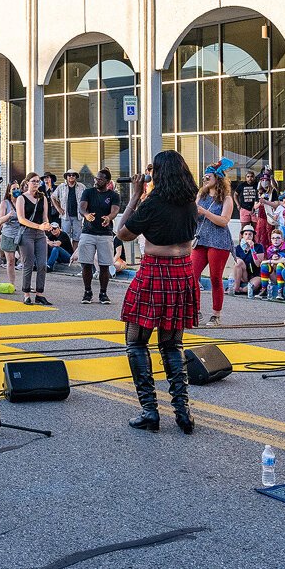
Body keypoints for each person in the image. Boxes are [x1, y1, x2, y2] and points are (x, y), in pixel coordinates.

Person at [115, 150, 200, 434]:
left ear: (159, 174)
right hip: (182, 272)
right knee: (172, 344)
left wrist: (135, 195)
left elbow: (122, 233)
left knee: (137, 343)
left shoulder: (152, 203)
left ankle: (150, 411)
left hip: (155, 271)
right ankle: (183, 412)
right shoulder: (190, 202)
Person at [191, 168, 236, 324]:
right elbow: (193, 215)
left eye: (208, 176)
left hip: (218, 241)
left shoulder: (227, 199)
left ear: (218, 178)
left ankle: (216, 315)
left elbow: (224, 221)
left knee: (215, 278)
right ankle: (195, 311)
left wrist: (205, 212)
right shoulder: (200, 195)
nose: (205, 178)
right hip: (201, 240)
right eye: (203, 176)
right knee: (191, 276)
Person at [76, 168, 123, 304]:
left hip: (105, 233)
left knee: (104, 265)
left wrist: (108, 217)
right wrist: (86, 215)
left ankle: (103, 293)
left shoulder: (113, 195)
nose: (97, 181)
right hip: (88, 232)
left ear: (107, 182)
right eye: (96, 178)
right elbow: (82, 207)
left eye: (100, 179)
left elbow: (115, 210)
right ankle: (87, 292)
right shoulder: (88, 192)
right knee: (86, 264)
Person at [14, 175, 51, 305]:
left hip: (40, 234)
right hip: (27, 233)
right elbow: (21, 219)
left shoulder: (43, 198)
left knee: (42, 264)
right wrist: (38, 226)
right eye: (33, 181)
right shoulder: (21, 198)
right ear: (27, 182)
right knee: (28, 264)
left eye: (38, 181)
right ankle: (26, 294)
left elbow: (45, 216)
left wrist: (46, 224)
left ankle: (39, 293)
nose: (36, 183)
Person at [228, 223, 260, 296]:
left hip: (254, 275)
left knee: (254, 284)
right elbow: (237, 264)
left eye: (250, 234)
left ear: (253, 236)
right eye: (245, 234)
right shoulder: (238, 248)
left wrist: (252, 249)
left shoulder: (258, 247)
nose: (248, 236)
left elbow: (258, 264)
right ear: (242, 235)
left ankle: (242, 290)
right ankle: (236, 288)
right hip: (243, 274)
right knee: (238, 262)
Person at [53, 169, 85, 245]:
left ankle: (74, 255)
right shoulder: (61, 187)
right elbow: (53, 197)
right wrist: (58, 208)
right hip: (65, 216)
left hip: (78, 216)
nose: (71, 176)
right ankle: (67, 255)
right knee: (65, 236)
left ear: (76, 177)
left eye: (73, 175)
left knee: (77, 237)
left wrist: (84, 211)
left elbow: (87, 199)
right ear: (66, 177)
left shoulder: (82, 186)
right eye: (69, 175)